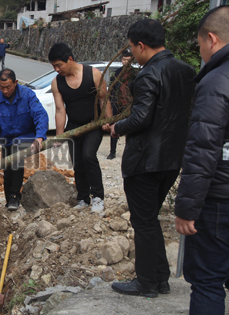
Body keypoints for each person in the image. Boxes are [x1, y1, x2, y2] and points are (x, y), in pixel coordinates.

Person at [104, 19, 195, 298]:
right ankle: (160, 278)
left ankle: (145, 283)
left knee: (143, 222)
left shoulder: (148, 74)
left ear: (141, 45)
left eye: (132, 47)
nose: (132, 52)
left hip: (144, 161)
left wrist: (117, 127)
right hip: (171, 159)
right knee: (150, 219)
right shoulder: (186, 70)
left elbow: (142, 117)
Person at [174, 6, 229, 314]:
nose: (201, 53)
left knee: (207, 280)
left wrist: (186, 209)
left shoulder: (216, 82)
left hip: (219, 200)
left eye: (200, 46)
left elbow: (203, 150)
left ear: (212, 39)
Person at [48, 43, 112, 213]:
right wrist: (60, 134)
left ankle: (98, 197)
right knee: (78, 164)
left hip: (93, 124)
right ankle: (83, 198)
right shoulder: (57, 82)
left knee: (88, 155)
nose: (56, 69)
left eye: (59, 65)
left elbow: (103, 99)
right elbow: (60, 110)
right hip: (74, 126)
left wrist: (109, 121)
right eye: (53, 66)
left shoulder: (94, 74)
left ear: (70, 59)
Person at [0, 69, 48, 210]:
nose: (5, 91)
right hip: (7, 139)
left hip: (26, 136)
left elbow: (40, 115)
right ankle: (9, 200)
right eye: (2, 87)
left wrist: (39, 136)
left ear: (16, 82)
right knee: (7, 168)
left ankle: (14, 196)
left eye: (9, 87)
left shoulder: (27, 95)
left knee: (16, 154)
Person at [107, 49, 135, 160]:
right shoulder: (117, 73)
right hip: (117, 104)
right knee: (115, 127)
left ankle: (130, 151)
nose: (125, 62)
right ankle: (112, 152)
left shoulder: (135, 73)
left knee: (130, 129)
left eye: (128, 60)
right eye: (124, 59)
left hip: (129, 105)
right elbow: (112, 90)